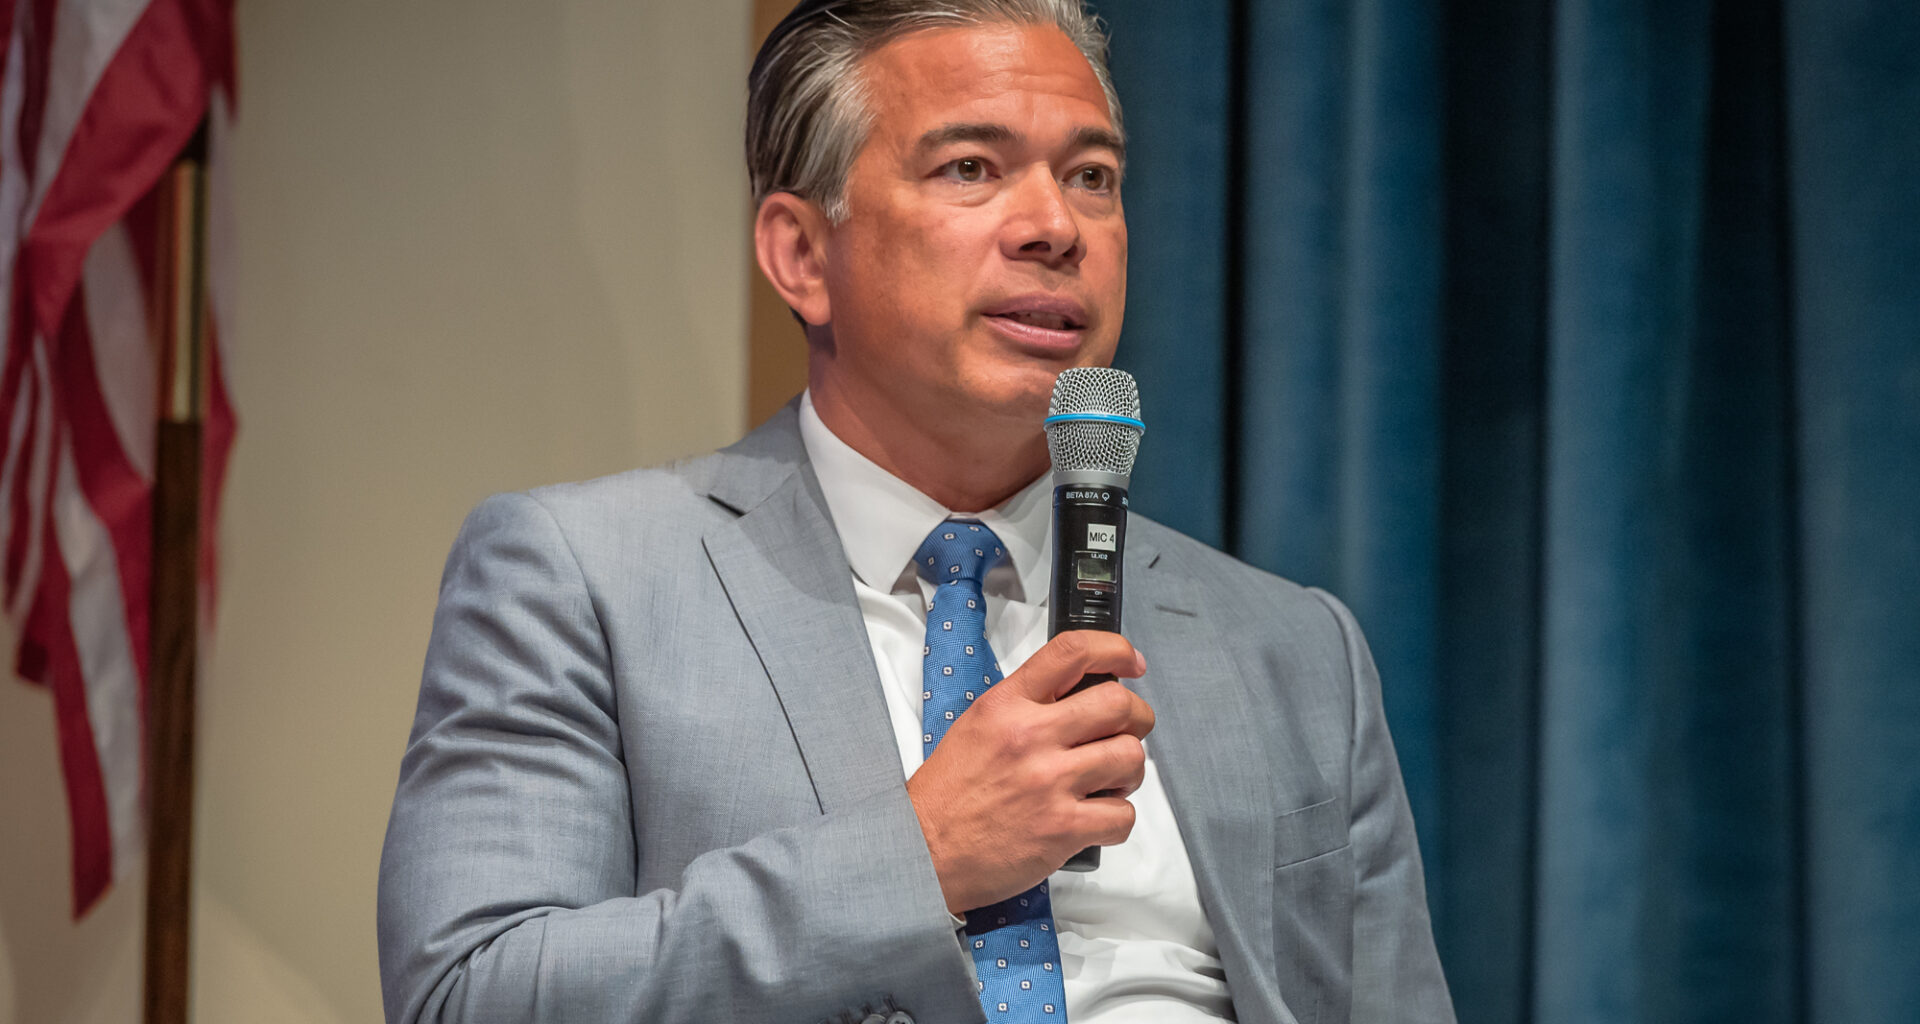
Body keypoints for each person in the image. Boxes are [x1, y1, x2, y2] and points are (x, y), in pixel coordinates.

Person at [377, 1, 1454, 1021]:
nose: (1054, 227)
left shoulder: (1295, 648)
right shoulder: (583, 575)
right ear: (801, 254)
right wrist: (922, 855)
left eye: (1092, 177)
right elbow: (472, 992)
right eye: (971, 168)